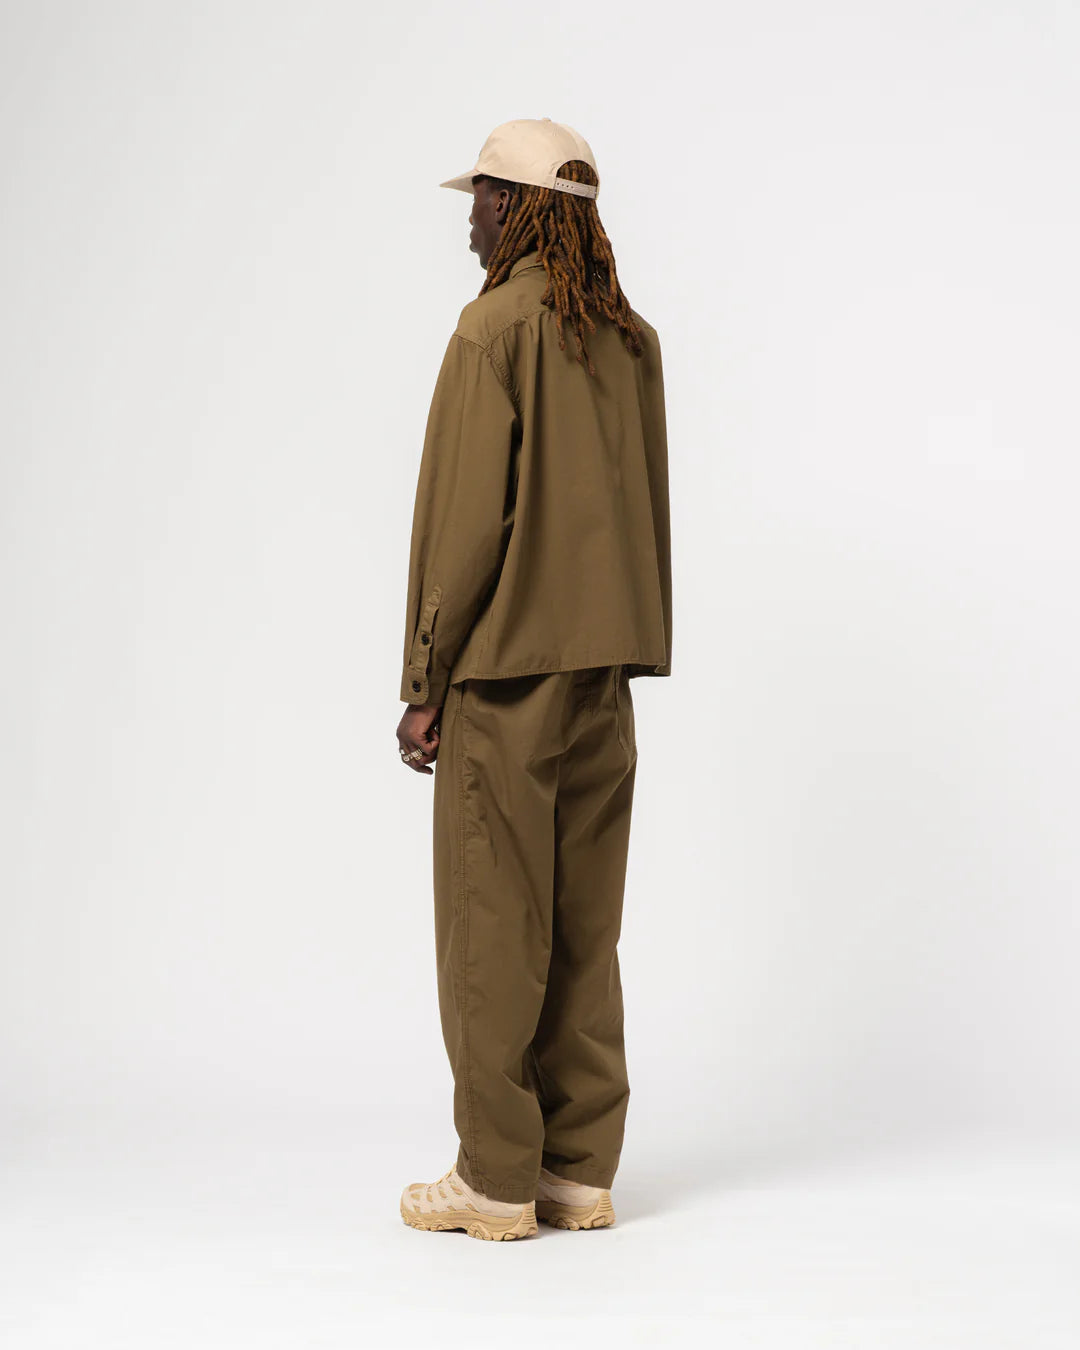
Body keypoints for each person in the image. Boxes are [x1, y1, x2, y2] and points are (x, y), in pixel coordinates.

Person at [395, 118, 672, 1241]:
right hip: (606, 678)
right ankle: (577, 1171)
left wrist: (425, 678)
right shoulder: (631, 340)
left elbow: (463, 524)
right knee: (583, 930)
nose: (470, 215)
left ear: (515, 206)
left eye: (481, 195)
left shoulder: (492, 331)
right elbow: (649, 511)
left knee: (493, 925)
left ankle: (496, 1179)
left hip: (507, 678)